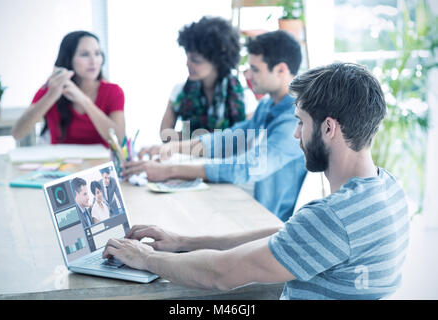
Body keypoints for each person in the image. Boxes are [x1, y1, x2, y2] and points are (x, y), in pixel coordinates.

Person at [104, 62, 410, 300]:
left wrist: (147, 258)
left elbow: (220, 274)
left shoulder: (335, 218)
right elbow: (290, 235)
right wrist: (184, 242)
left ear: (329, 128)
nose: (295, 135)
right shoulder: (388, 188)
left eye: (301, 123)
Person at [124, 30, 307, 222]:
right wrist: (173, 148)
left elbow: (248, 166)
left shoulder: (295, 119)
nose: (249, 75)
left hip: (264, 217)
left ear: (281, 70)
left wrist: (170, 170)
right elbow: (230, 138)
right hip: (242, 199)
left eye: (255, 69)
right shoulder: (268, 105)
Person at [12, 31, 126, 147]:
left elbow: (120, 138)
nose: (93, 61)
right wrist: (51, 96)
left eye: (97, 53)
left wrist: (84, 101)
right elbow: (18, 133)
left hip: (102, 163)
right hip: (62, 163)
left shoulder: (113, 91)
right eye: (85, 54)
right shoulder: (52, 88)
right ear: (68, 59)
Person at [159, 16, 247, 142]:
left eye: (196, 60)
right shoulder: (179, 91)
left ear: (217, 61)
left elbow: (247, 137)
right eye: (187, 57)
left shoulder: (242, 94)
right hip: (187, 160)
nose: (188, 64)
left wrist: (193, 140)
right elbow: (165, 134)